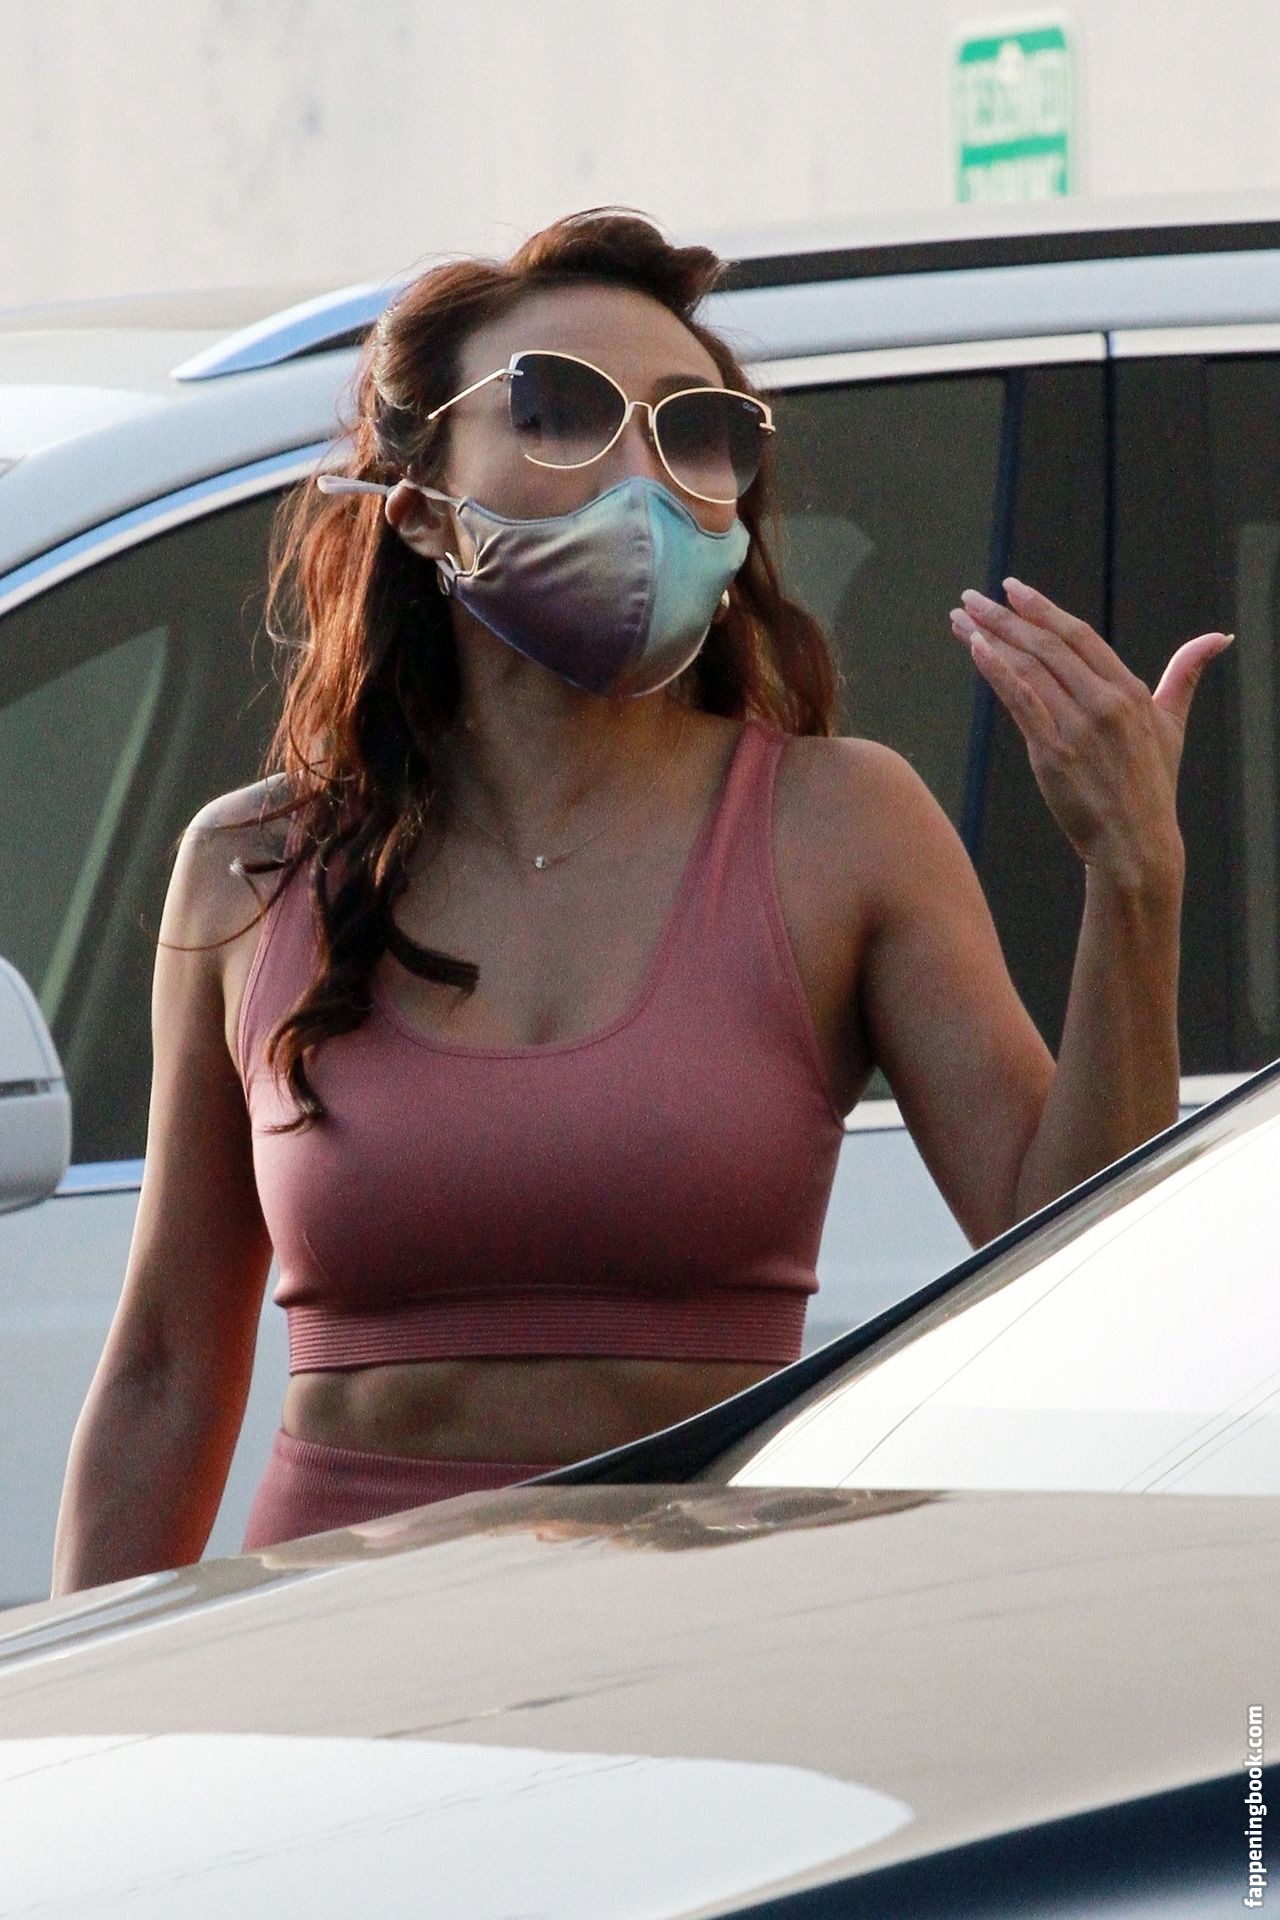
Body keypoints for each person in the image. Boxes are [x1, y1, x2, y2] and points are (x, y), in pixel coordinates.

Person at [50, 207, 1230, 1591]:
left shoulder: (843, 824)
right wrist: (77, 1703)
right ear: (420, 506)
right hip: (336, 1639)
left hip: (699, 1644)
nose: (642, 473)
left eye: (697, 429)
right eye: (558, 411)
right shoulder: (254, 865)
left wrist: (1135, 878)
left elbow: (1068, 1257)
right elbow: (166, 1365)